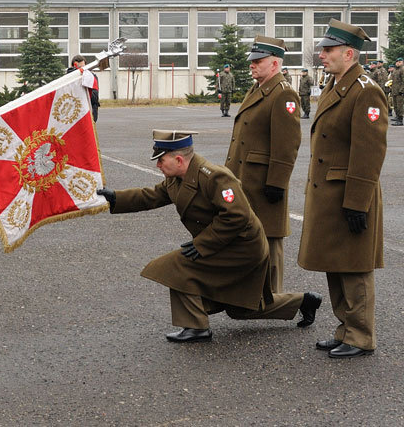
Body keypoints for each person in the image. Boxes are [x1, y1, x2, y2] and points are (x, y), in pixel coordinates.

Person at [96, 131, 321, 342]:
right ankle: (304, 301)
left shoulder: (215, 177)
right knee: (239, 309)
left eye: (161, 160)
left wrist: (202, 244)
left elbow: (237, 216)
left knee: (176, 266)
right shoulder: (177, 179)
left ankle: (196, 326)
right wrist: (115, 197)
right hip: (223, 244)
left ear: (179, 160)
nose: (157, 165)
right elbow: (151, 196)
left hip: (243, 248)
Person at [299, 19, 388, 358]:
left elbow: (369, 152)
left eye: (328, 50)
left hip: (351, 192)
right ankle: (345, 329)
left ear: (348, 53)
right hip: (330, 193)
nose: (322, 55)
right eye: (322, 49)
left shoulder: (365, 89)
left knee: (354, 266)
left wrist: (357, 202)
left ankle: (361, 336)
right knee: (335, 262)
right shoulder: (338, 85)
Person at [225, 35, 301, 293]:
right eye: (252, 61)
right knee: (252, 239)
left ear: (275, 63)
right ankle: (255, 295)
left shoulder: (283, 94)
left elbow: (287, 144)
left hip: (265, 182)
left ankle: (276, 298)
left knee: (270, 240)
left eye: (259, 61)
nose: (252, 65)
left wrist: (277, 183)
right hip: (246, 178)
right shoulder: (258, 89)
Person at [67, 54, 100, 122]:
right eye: (78, 68)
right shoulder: (68, 78)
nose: (81, 70)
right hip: (73, 112)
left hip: (89, 110)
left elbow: (94, 98)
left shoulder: (91, 77)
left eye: (83, 67)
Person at [391, 57, 404, 126]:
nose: (397, 63)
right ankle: (397, 117)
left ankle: (400, 119)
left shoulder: (402, 69)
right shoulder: (396, 70)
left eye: (399, 62)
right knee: (395, 105)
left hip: (399, 91)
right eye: (396, 62)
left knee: (399, 105)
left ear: (402, 62)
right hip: (395, 90)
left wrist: (401, 90)